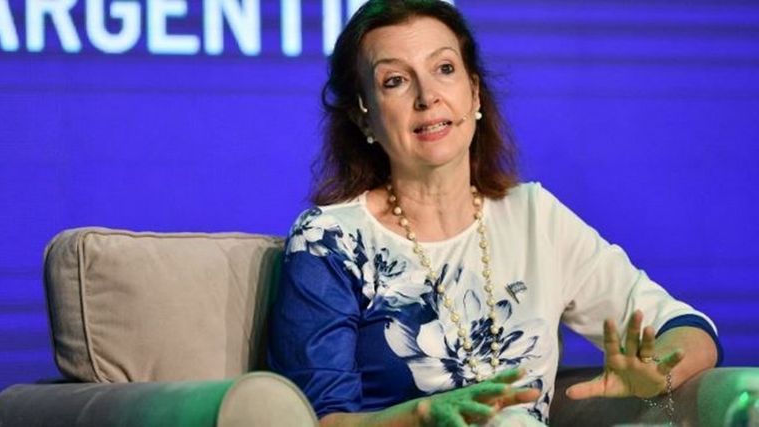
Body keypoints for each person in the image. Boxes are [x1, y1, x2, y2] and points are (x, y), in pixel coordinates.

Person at [267, 1, 722, 425]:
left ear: (474, 93)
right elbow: (316, 419)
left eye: (445, 69)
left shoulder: (533, 217)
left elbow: (686, 328)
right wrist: (425, 415)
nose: (428, 96)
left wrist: (657, 372)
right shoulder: (330, 240)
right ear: (364, 117)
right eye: (395, 81)